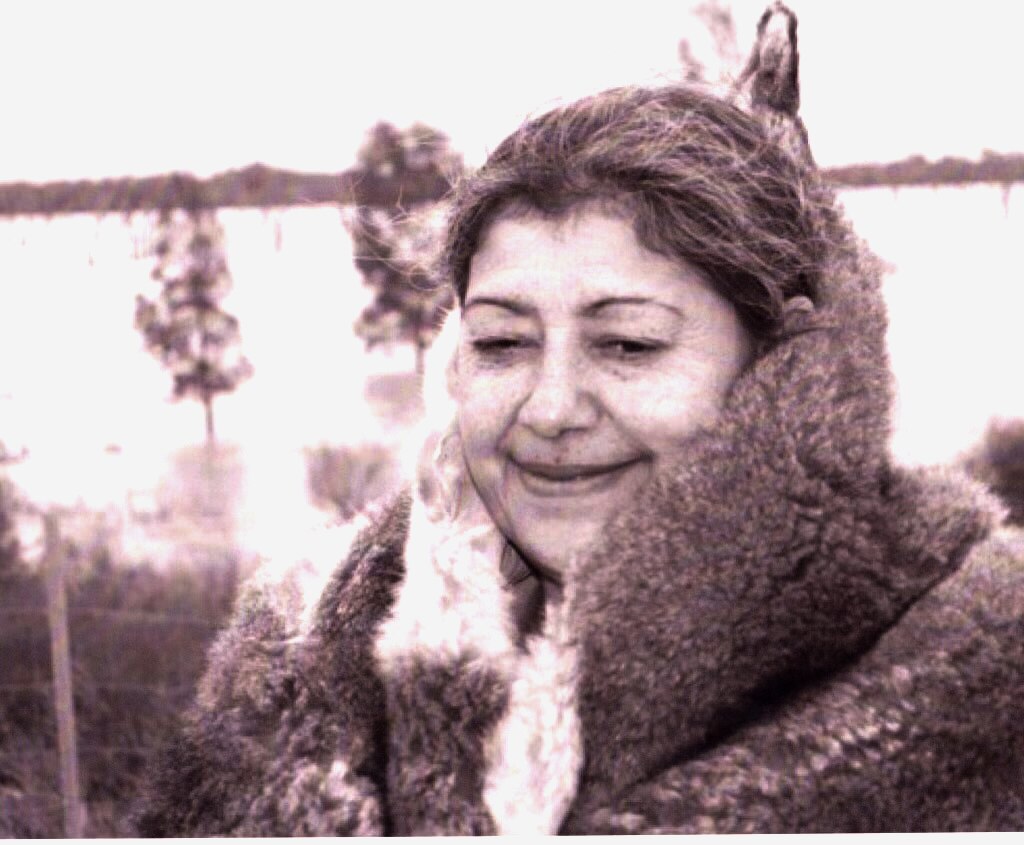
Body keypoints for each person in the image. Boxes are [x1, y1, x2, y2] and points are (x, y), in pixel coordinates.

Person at [134, 14, 1024, 836]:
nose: (552, 410)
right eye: (501, 341)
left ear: (784, 360)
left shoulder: (978, 670)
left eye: (630, 343)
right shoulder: (302, 647)